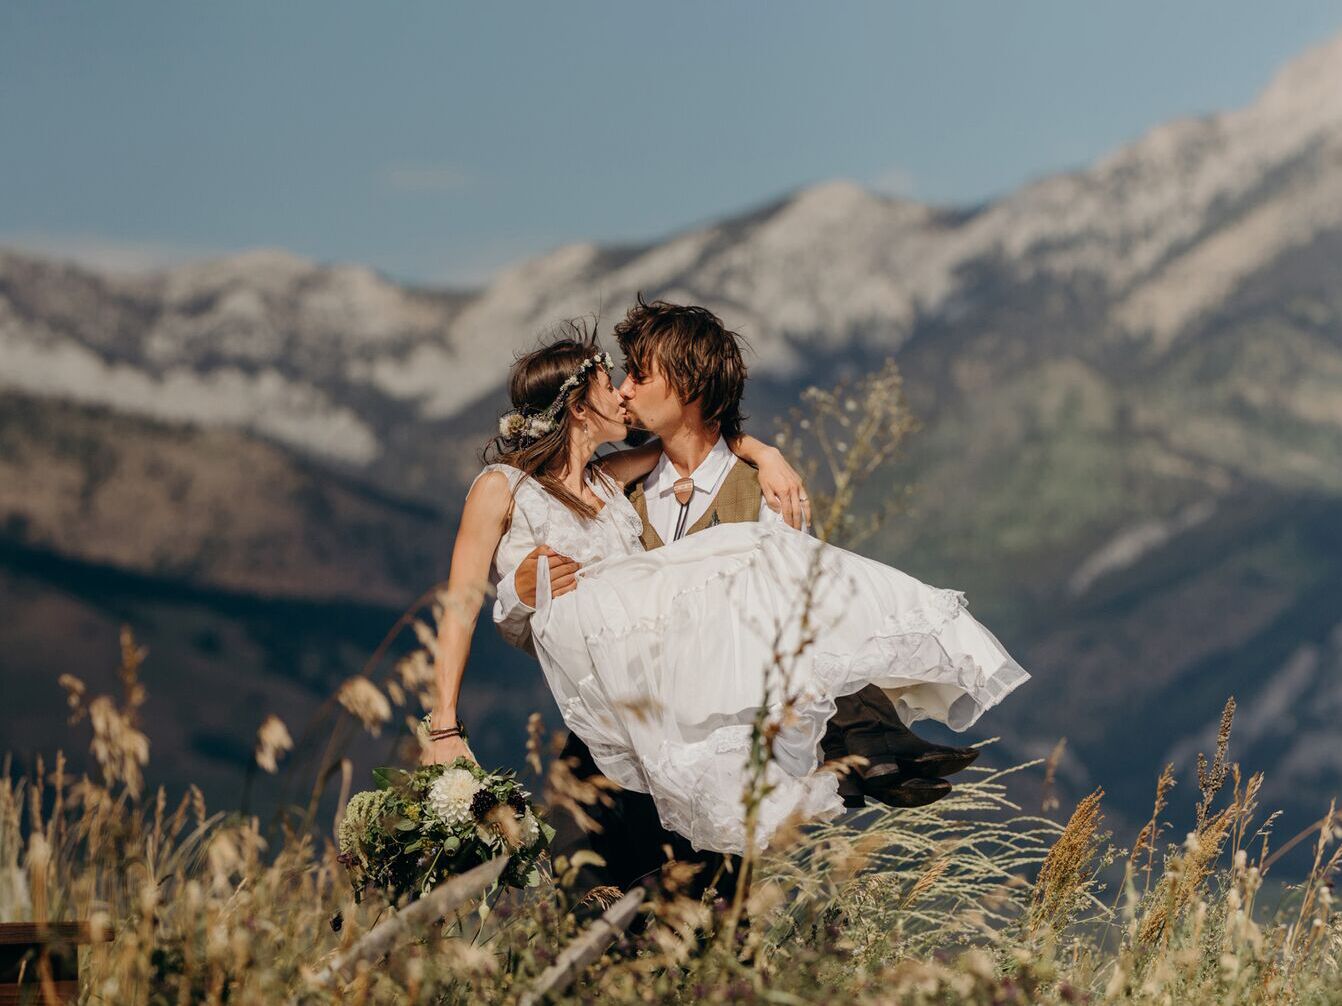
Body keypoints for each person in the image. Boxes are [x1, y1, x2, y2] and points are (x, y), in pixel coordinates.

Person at [423, 311, 1028, 866]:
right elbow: (463, 605)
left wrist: (762, 452)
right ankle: (871, 737)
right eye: (614, 382)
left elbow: (695, 445)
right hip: (608, 704)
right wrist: (446, 722)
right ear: (580, 407)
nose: (624, 391)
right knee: (585, 889)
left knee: (759, 559)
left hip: (688, 713)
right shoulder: (533, 486)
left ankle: (873, 729)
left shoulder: (620, 482)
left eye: (634, 377)